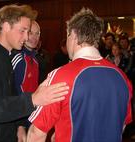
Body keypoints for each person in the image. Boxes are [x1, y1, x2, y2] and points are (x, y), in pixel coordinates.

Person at [0, 4, 69, 142]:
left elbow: (10, 95)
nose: (26, 37)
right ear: (6, 26)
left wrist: (19, 126)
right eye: (23, 30)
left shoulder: (5, 55)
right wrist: (33, 99)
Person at [27, 8, 133, 142]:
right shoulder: (122, 77)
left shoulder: (60, 76)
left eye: (67, 36)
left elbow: (36, 134)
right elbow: (121, 126)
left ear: (74, 35)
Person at [11, 20, 41, 141]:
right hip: (19, 121)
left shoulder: (35, 60)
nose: (34, 37)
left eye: (37, 33)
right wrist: (20, 125)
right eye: (30, 33)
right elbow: (12, 94)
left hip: (31, 117)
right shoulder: (18, 58)